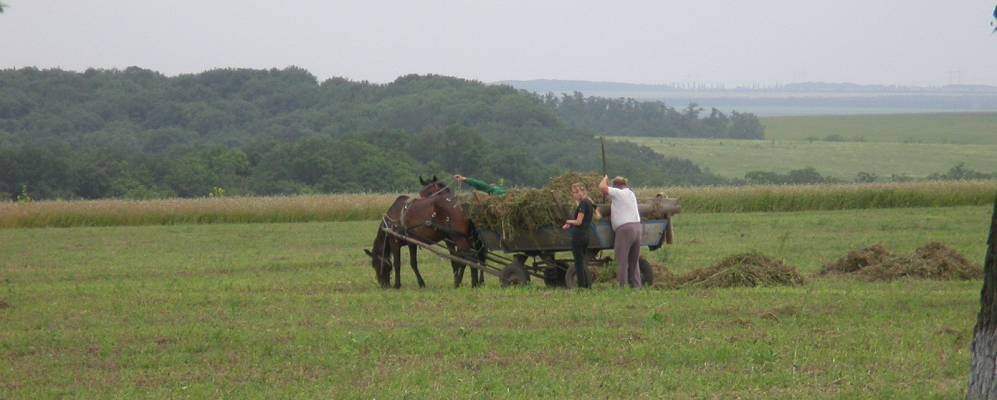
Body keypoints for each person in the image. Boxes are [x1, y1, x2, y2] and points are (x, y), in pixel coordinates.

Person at [599, 175, 642, 288]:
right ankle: (637, 286)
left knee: (621, 260)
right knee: (634, 260)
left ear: (616, 186)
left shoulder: (618, 193)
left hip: (625, 229)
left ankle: (622, 286)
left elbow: (602, 187)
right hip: (637, 227)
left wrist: (605, 178)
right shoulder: (631, 193)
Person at [561, 182, 594, 288]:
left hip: (579, 236)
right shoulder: (589, 203)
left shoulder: (583, 204)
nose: (574, 195)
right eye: (573, 192)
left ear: (582, 192)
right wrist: (570, 224)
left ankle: (582, 286)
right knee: (582, 261)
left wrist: (568, 222)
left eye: (576, 192)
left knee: (578, 263)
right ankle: (587, 285)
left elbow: (579, 221)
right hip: (586, 235)